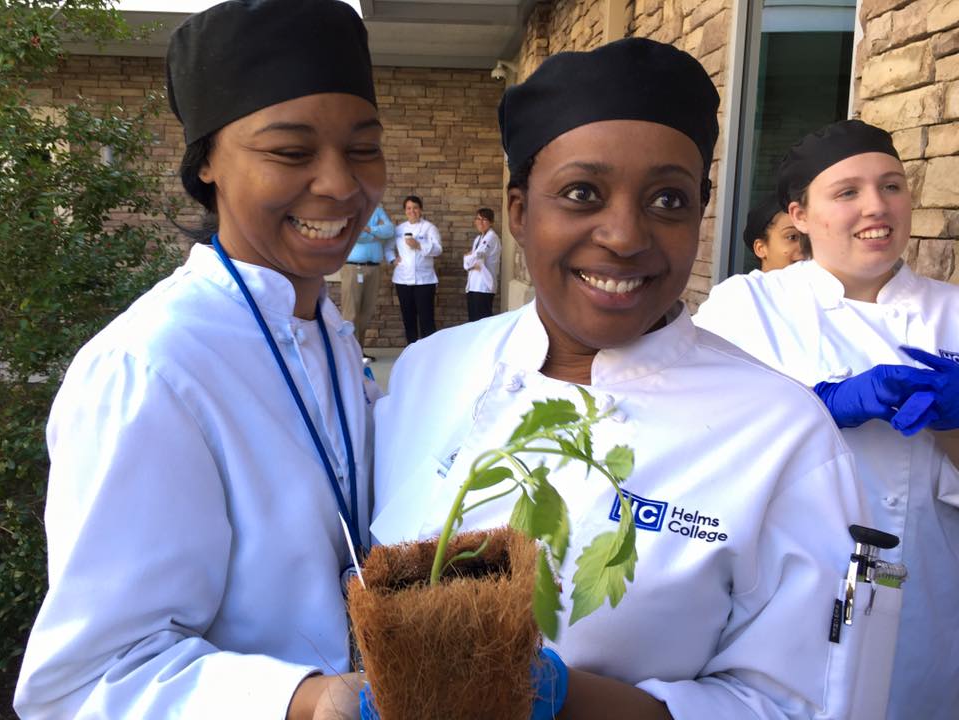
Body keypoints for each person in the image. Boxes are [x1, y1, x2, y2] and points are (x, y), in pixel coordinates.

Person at [371, 38, 869, 719]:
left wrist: (567, 701)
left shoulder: (782, 434)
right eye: (582, 193)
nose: (625, 235)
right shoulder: (432, 370)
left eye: (667, 199)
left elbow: (801, 702)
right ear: (519, 211)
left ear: (701, 207)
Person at [14, 1, 385, 718]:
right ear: (206, 162)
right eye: (291, 152)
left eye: (363, 147)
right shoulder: (149, 366)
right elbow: (87, 683)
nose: (341, 184)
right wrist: (309, 704)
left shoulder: (327, 331)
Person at [694, 119, 959, 720]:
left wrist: (954, 421)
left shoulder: (953, 312)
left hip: (929, 596)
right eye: (847, 192)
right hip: (785, 598)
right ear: (801, 215)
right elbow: (702, 436)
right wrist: (820, 403)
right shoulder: (749, 304)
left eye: (892, 186)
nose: (877, 206)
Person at [341, 203, 394, 361]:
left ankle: (359, 351)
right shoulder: (350, 210)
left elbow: (390, 230)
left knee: (366, 312)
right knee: (350, 313)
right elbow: (356, 235)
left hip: (373, 269)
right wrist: (377, 235)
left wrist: (370, 230)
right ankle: (348, 354)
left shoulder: (377, 209)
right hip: (353, 269)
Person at [390, 195, 442, 343]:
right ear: (405, 211)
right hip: (402, 279)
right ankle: (411, 348)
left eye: (415, 208)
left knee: (426, 318)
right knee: (408, 316)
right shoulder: (399, 229)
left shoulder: (429, 228)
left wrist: (419, 245)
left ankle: (428, 350)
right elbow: (388, 248)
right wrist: (392, 259)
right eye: (408, 208)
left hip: (424, 280)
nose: (412, 211)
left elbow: (438, 250)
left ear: (421, 210)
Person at [743, 193, 808, 271]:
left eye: (810, 238)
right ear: (760, 248)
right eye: (792, 237)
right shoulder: (741, 283)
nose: (805, 247)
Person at [463, 206, 501, 320]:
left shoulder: (491, 237)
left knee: (482, 322)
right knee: (473, 322)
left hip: (484, 286)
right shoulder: (478, 238)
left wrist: (468, 258)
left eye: (484, 219)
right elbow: (469, 262)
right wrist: (469, 261)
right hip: (474, 285)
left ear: (491, 222)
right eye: (478, 219)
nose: (480, 222)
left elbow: (477, 257)